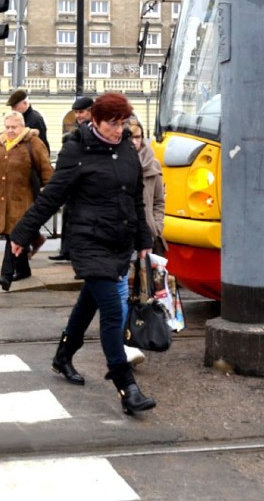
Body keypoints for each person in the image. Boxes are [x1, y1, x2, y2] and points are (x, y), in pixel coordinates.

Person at [9, 93, 157, 415]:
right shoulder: (77, 149)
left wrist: (144, 239)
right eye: (113, 123)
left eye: (123, 123)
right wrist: (23, 232)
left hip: (118, 241)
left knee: (89, 299)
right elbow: (53, 196)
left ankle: (64, 355)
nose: (119, 130)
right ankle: (126, 386)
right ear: (95, 121)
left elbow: (136, 199)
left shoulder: (127, 148)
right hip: (88, 240)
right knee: (111, 311)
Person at [0, 111, 53, 291]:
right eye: (7, 127)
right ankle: (23, 269)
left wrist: (51, 192)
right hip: (2, 200)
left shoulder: (33, 143)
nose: (10, 130)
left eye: (14, 127)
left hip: (24, 199)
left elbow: (46, 169)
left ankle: (6, 275)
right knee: (12, 235)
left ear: (22, 127)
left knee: (15, 235)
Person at [118, 115, 167, 367]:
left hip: (146, 237)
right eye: (130, 136)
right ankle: (124, 341)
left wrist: (156, 225)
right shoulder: (117, 162)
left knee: (143, 293)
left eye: (137, 136)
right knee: (122, 291)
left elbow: (159, 200)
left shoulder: (152, 164)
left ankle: (135, 335)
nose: (134, 141)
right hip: (122, 236)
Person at [49, 96, 94, 262]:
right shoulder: (76, 132)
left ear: (91, 111)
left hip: (85, 185)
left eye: (81, 112)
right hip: (73, 183)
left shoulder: (95, 130)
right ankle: (66, 250)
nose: (78, 116)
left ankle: (76, 252)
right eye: (76, 112)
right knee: (68, 216)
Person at [6, 89, 50, 154]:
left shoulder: (35, 119)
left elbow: (41, 145)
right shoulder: (21, 118)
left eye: (15, 106)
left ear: (25, 103)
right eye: (12, 107)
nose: (13, 110)